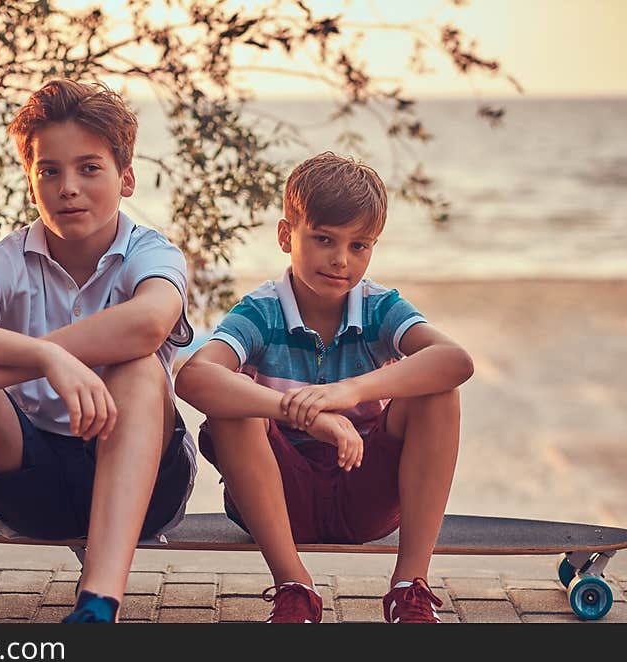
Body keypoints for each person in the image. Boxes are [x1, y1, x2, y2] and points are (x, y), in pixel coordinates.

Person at [0, 79, 196, 624]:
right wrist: (47, 359)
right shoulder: (10, 259)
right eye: (50, 171)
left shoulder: (152, 252)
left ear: (127, 178)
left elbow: (148, 323)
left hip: (142, 482)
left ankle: (97, 608)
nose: (68, 187)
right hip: (30, 480)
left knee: (139, 369)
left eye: (90, 168)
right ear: (31, 183)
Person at [175, 152, 474, 623]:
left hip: (364, 494)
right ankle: (295, 588)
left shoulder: (378, 307)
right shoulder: (261, 311)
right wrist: (303, 414)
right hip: (277, 504)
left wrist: (349, 392)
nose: (341, 260)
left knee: (437, 389)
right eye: (323, 239)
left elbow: (455, 360)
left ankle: (408, 589)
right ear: (285, 235)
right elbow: (193, 376)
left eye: (359, 246)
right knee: (231, 402)